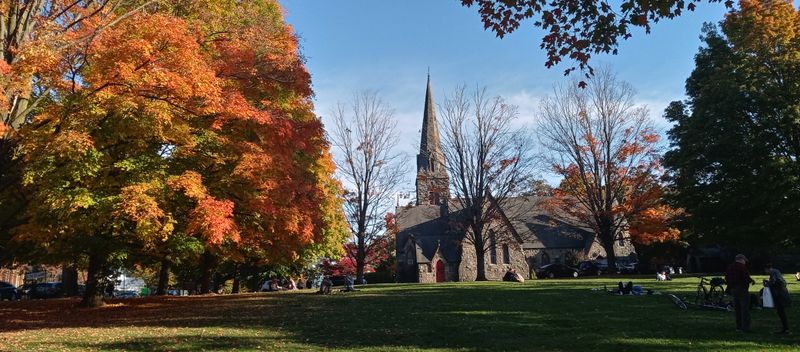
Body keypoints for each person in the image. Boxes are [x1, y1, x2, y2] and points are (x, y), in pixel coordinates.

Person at [725, 254, 756, 332]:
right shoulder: (742, 267)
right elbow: (745, 277)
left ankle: (738, 326)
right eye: (744, 260)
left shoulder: (730, 267)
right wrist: (750, 281)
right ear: (741, 259)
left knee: (737, 308)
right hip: (742, 289)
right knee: (744, 308)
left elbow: (727, 277)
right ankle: (745, 327)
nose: (745, 262)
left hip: (733, 289)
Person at [763, 263, 791, 334]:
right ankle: (785, 328)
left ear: (767, 269)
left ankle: (786, 329)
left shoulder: (772, 272)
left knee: (781, 312)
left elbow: (773, 282)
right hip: (782, 292)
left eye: (765, 271)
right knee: (782, 312)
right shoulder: (776, 271)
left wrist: (767, 283)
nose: (766, 272)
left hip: (779, 294)